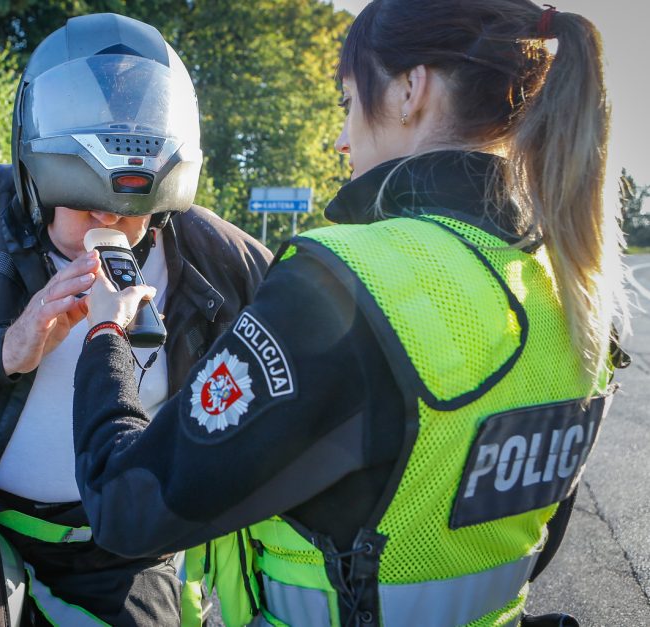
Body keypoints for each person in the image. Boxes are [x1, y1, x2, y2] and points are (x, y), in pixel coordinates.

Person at [69, 1, 630, 626]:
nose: (340, 138)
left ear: (409, 90)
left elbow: (125, 504)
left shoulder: (347, 281)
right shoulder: (575, 286)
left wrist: (106, 329)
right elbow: (534, 541)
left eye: (346, 102)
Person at [0, 13, 271, 627]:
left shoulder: (218, 257)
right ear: (35, 177)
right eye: (86, 206)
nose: (110, 228)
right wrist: (4, 348)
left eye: (133, 213)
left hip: (124, 548)